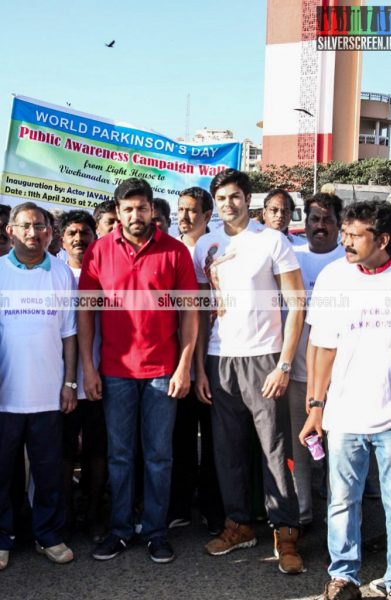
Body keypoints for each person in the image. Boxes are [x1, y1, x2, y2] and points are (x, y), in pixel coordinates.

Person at [78, 178, 198, 564]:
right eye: (128, 209)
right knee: (120, 455)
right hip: (115, 371)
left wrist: (184, 366)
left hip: (163, 370)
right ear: (118, 211)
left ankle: (156, 531)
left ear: (151, 209)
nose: (136, 215)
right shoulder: (98, 251)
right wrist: (87, 368)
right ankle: (120, 530)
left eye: (142, 207)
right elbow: (85, 314)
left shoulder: (176, 252)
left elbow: (190, 315)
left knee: (160, 455)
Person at [194, 168, 306, 574]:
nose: (229, 203)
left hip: (265, 358)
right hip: (219, 360)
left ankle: (286, 531)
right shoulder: (206, 244)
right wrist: (200, 368)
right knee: (226, 451)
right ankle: (238, 524)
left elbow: (297, 304)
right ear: (215, 203)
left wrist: (284, 364)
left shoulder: (272, 241)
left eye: (236, 196)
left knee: (275, 451)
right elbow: (202, 310)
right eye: (222, 198)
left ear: (248, 198)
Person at [299, 200, 391, 600]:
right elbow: (322, 348)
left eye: (356, 235)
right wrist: (315, 408)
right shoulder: (333, 277)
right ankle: (344, 577)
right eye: (346, 233)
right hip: (343, 416)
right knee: (342, 503)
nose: (346, 241)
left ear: (384, 239)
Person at [0, 202, 77, 570]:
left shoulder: (62, 274)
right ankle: (3, 537)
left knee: (49, 473)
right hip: (5, 396)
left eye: (41, 226)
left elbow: (70, 335)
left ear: (51, 230)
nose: (34, 233)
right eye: (26, 226)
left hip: (48, 396)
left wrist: (69, 383)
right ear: (10, 230)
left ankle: (48, 535)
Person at [168, 187, 224, 534]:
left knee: (214, 436)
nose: (185, 217)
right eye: (181, 210)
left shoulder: (213, 250)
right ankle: (180, 505)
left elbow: (202, 313)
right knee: (181, 435)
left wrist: (198, 364)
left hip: (209, 356)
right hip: (172, 358)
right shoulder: (170, 249)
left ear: (207, 216)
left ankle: (212, 507)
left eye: (192, 211)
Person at [288, 192, 344, 528]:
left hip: (342, 380)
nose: (319, 226)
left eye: (327, 220)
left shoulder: (348, 261)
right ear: (304, 223)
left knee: (339, 453)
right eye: (313, 219)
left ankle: (339, 521)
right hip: (296, 373)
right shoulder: (291, 257)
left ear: (339, 224)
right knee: (301, 448)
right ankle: (303, 516)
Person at [60, 210, 108, 542]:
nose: (79, 239)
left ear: (95, 236)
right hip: (61, 383)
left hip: (100, 379)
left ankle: (93, 515)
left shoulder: (105, 272)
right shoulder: (55, 275)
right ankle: (62, 517)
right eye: (72, 233)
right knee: (62, 453)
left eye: (85, 232)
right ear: (61, 239)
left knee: (98, 451)